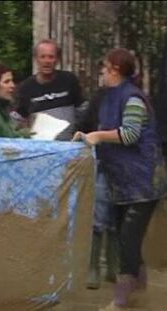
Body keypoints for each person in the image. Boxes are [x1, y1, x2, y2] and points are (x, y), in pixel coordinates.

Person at [73, 48, 167, 310]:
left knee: (127, 242)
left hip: (142, 183)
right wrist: (87, 136)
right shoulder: (110, 97)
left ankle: (121, 302)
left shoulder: (132, 98)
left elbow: (130, 134)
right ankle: (140, 295)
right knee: (129, 241)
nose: (101, 71)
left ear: (114, 68)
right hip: (123, 182)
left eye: (104, 67)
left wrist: (99, 136)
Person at [77, 73, 118, 290]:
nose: (102, 75)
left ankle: (113, 266)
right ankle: (93, 267)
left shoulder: (131, 98)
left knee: (117, 216)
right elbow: (85, 123)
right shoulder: (99, 98)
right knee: (99, 214)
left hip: (124, 166)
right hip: (102, 162)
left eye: (108, 70)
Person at [15, 39, 84, 140]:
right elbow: (19, 118)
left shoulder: (69, 80)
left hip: (70, 145)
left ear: (57, 59)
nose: (47, 61)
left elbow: (82, 110)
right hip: (41, 147)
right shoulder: (26, 87)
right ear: (36, 59)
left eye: (51, 57)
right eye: (42, 57)